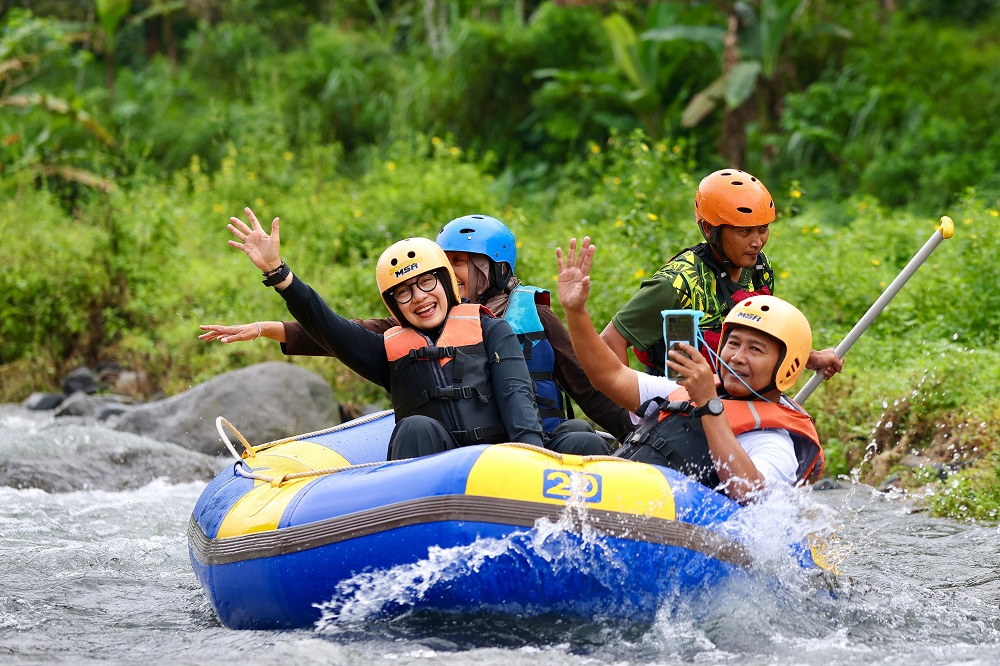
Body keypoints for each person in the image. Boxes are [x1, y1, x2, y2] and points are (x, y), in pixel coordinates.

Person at [219, 207, 609, 460]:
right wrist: (280, 277)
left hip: (499, 459)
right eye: (404, 292)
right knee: (416, 427)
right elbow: (331, 328)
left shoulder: (493, 328)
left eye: (428, 284)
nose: (419, 299)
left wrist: (531, 465)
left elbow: (517, 399)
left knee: (583, 438)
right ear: (393, 303)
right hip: (431, 479)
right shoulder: (388, 343)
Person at [557, 236, 823, 503]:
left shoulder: (774, 442)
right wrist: (576, 312)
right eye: (733, 343)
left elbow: (751, 494)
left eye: (755, 349)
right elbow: (608, 376)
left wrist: (709, 404)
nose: (737, 357)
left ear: (787, 366)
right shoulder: (684, 393)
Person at [599, 168, 843, 380]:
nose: (757, 242)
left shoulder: (758, 269)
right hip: (679, 406)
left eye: (763, 229)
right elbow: (611, 340)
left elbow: (763, 338)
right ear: (708, 228)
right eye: (744, 231)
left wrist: (809, 358)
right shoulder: (676, 282)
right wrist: (631, 414)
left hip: (735, 395)